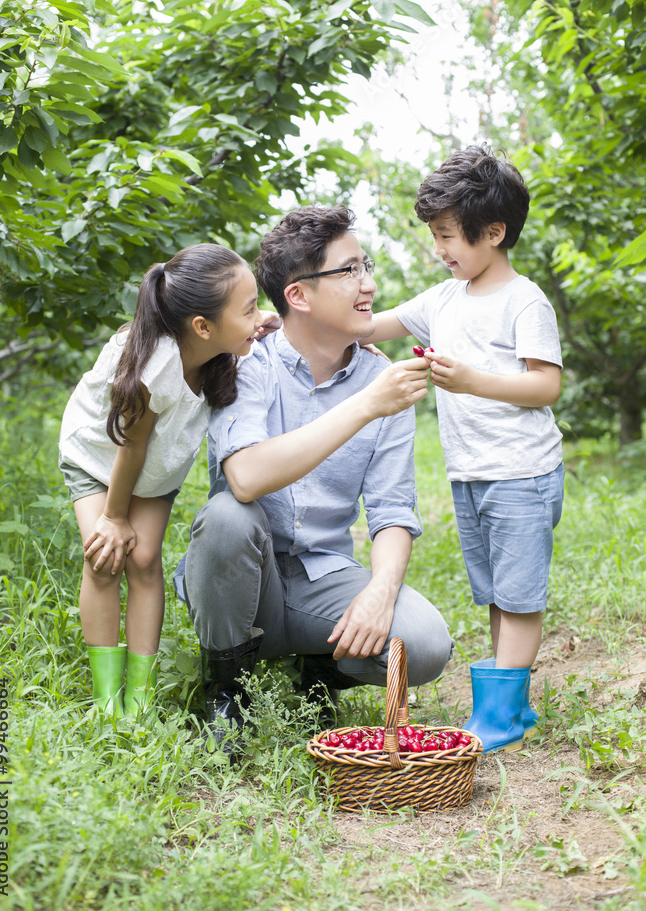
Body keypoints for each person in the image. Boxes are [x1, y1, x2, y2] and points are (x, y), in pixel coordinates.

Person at [173, 205, 453, 754]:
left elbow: (393, 511)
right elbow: (247, 477)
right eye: (349, 271)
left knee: (424, 645)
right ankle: (226, 688)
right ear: (298, 295)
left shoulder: (384, 380)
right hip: (243, 582)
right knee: (229, 515)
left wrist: (380, 591)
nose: (369, 284)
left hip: (322, 576)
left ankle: (323, 669)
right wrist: (366, 406)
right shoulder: (245, 364)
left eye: (365, 266)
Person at [367, 144, 564, 753]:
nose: (439, 249)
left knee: (520, 594)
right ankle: (509, 706)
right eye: (434, 236)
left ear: (494, 232)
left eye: (448, 235)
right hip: (473, 473)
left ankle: (501, 715)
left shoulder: (523, 300)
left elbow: (545, 384)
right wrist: (292, 317)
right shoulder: (444, 299)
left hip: (522, 472)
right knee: (497, 591)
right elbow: (376, 326)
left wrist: (474, 379)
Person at [59, 244, 276, 718]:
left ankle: (138, 699)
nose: (259, 317)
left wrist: (262, 321)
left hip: (156, 471)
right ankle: (107, 700)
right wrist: (115, 517)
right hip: (100, 458)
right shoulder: (155, 365)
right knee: (105, 559)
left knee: (144, 559)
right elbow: (130, 446)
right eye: (250, 308)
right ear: (202, 326)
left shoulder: (222, 346)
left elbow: (148, 458)